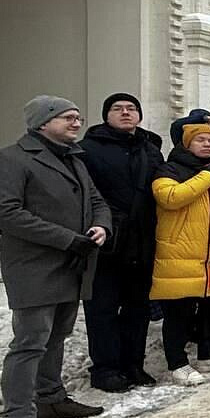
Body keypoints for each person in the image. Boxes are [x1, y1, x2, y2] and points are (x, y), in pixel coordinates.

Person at [0, 96, 111, 418]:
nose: (76, 123)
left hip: (74, 265)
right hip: (35, 267)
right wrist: (68, 240)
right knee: (29, 342)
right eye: (68, 117)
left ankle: (50, 399)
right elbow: (5, 213)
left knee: (57, 336)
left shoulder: (74, 160)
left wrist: (101, 226)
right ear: (42, 122)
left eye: (78, 117)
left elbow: (96, 200)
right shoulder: (8, 160)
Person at [76, 93, 164, 393]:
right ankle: (105, 368)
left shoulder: (151, 149)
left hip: (143, 241)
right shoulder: (87, 149)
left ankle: (133, 364)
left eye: (131, 108)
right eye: (117, 109)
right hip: (108, 241)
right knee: (102, 308)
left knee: (137, 307)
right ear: (106, 115)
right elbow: (84, 195)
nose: (125, 113)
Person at [149, 124, 210, 385]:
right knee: (179, 313)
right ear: (186, 144)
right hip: (179, 252)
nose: (207, 145)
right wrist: (208, 175)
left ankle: (209, 354)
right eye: (200, 140)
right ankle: (177, 363)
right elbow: (170, 197)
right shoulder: (170, 169)